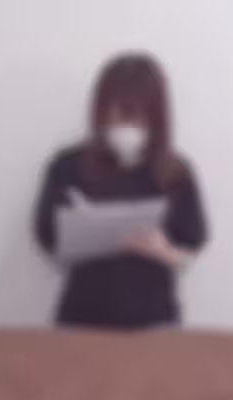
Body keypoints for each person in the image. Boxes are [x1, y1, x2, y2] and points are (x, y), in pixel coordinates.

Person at [32, 52, 209, 330]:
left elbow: (192, 246)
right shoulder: (68, 166)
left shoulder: (175, 173)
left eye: (133, 116)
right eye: (112, 116)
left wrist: (163, 250)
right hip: (80, 320)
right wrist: (89, 233)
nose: (122, 127)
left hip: (155, 321)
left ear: (156, 117)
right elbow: (46, 236)